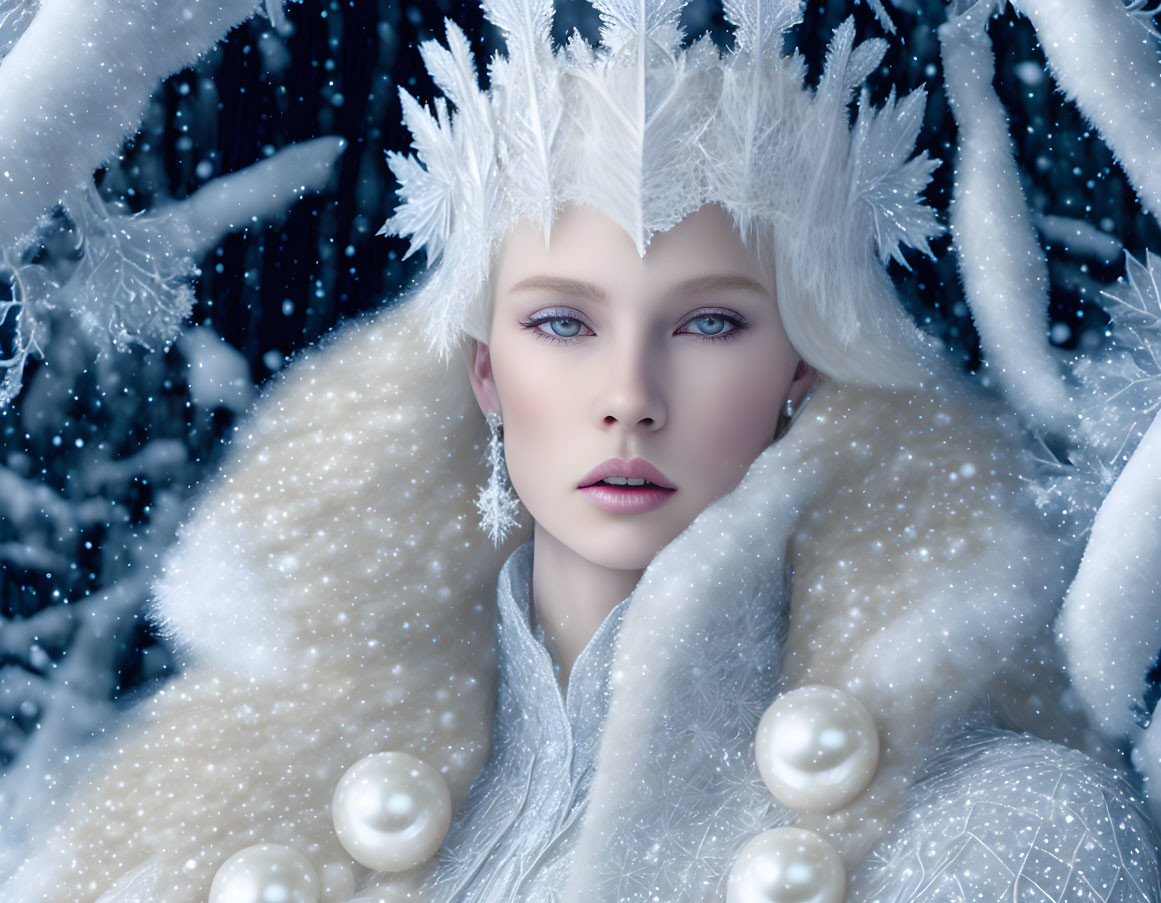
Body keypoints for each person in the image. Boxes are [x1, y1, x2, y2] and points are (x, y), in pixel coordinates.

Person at [5, 1, 1160, 901]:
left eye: (709, 324)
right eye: (564, 322)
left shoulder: (1004, 833)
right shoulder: (214, 799)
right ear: (485, 370)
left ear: (801, 367)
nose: (629, 398)